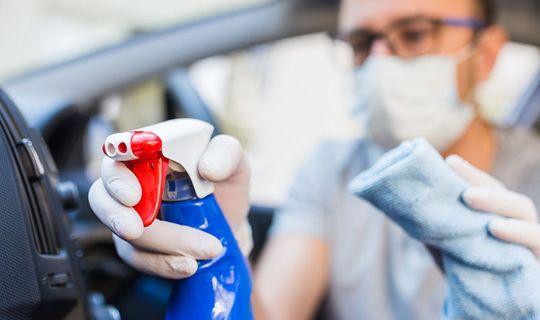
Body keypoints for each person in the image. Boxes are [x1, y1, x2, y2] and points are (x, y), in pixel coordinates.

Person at [88, 0, 540, 319]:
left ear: (485, 54)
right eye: (362, 42)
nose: (379, 62)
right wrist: (218, 239)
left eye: (415, 34)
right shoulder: (333, 171)